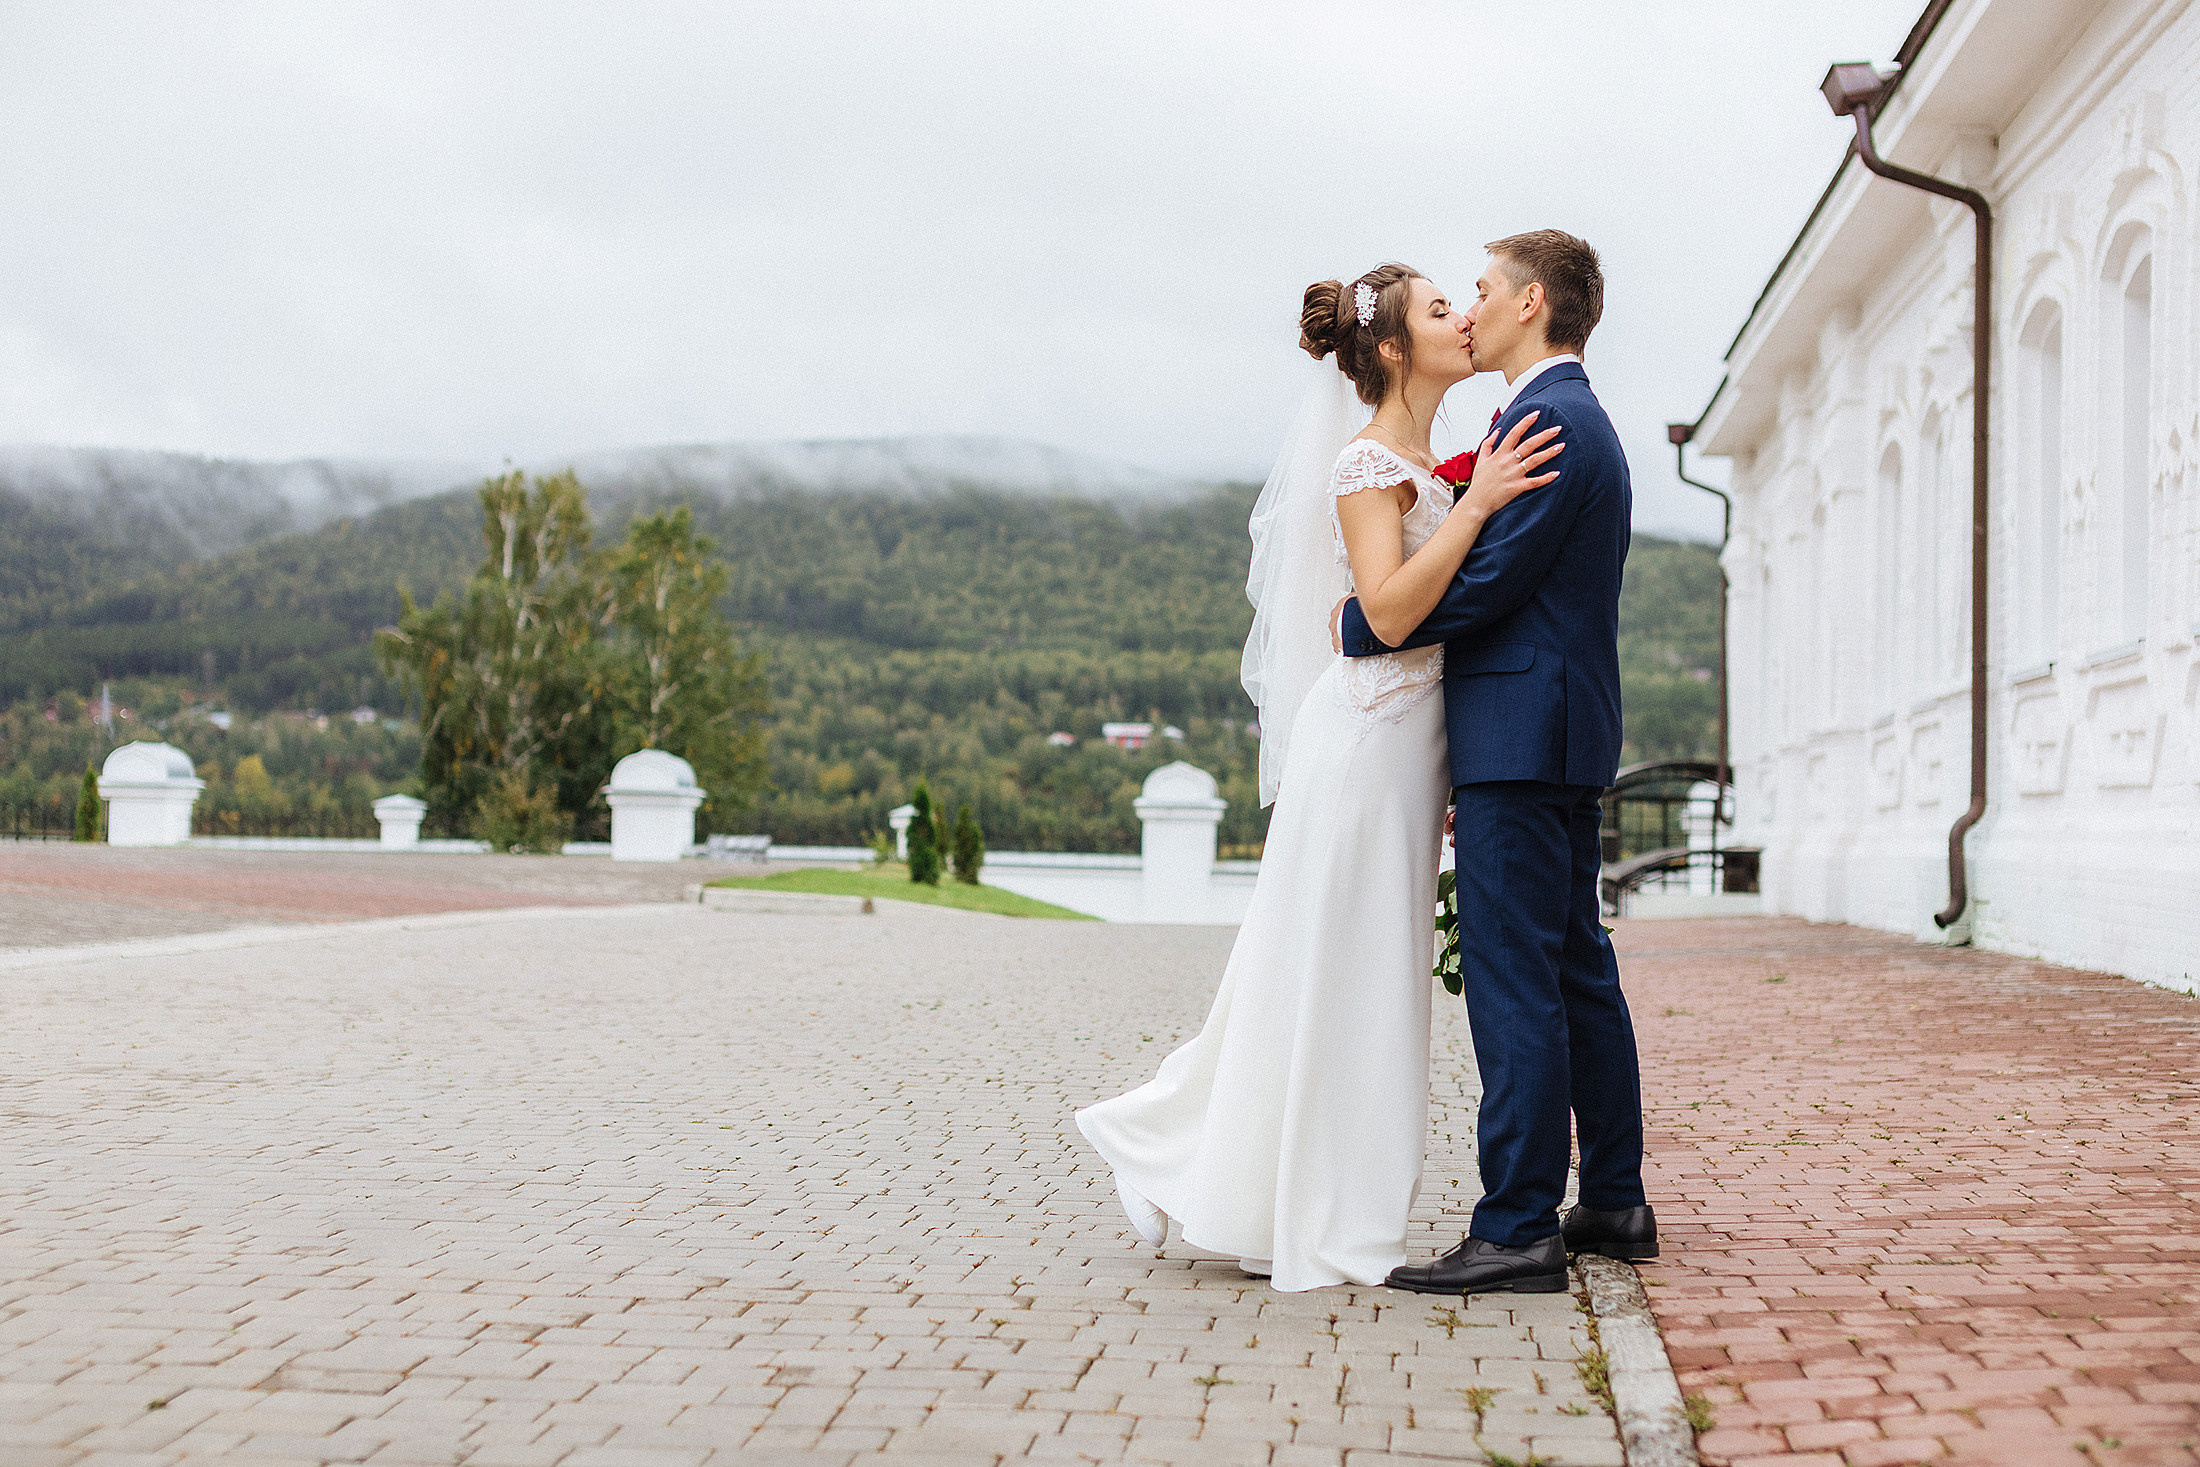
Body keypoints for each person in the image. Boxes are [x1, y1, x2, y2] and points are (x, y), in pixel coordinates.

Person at [1075, 262, 1563, 1292]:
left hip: (1412, 753)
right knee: (1331, 977)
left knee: (1358, 984)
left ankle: (1228, 1177)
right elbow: (1384, 613)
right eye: (1439, 309)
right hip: (1364, 745)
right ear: (1392, 349)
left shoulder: (1428, 463)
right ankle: (1200, 1165)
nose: (1462, 318)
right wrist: (1476, 507)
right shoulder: (1365, 463)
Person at [1335, 231, 1656, 1296]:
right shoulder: (1562, 413)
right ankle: (1612, 1198)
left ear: (1529, 302)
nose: (1469, 308)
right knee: (1574, 969)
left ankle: (1517, 1225)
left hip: (1521, 736)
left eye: (1480, 290)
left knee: (1516, 981)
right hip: (1552, 729)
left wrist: (1368, 625)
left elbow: (1491, 583)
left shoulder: (1549, 418)